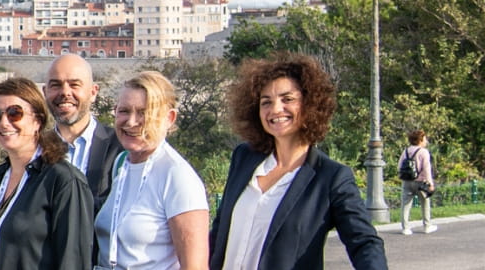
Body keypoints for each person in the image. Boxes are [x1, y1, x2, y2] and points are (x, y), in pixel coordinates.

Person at [209, 52, 387, 270]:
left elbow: (364, 242)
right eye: (266, 102)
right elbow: (219, 232)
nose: (275, 109)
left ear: (310, 104)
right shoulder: (244, 157)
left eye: (288, 99)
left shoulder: (331, 178)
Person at [0, 77, 93, 270]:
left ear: (37, 120)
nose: (3, 123)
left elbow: (73, 260)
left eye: (14, 113)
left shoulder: (63, 180)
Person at [95, 72, 209, 270]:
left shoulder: (177, 176)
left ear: (169, 118)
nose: (131, 122)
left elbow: (195, 266)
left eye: (144, 112)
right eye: (124, 111)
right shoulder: (121, 165)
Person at [44, 54, 125, 209]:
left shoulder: (119, 148)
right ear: (45, 92)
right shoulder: (34, 151)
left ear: (93, 92)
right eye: (56, 85)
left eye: (74, 85)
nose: (65, 93)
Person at [398, 130, 436, 235]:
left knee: (405, 205)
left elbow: (399, 166)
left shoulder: (406, 151)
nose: (426, 141)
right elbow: (427, 169)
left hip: (407, 181)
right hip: (421, 182)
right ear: (420, 140)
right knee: (425, 203)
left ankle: (405, 228)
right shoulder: (423, 152)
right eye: (425, 138)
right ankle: (427, 226)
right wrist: (430, 184)